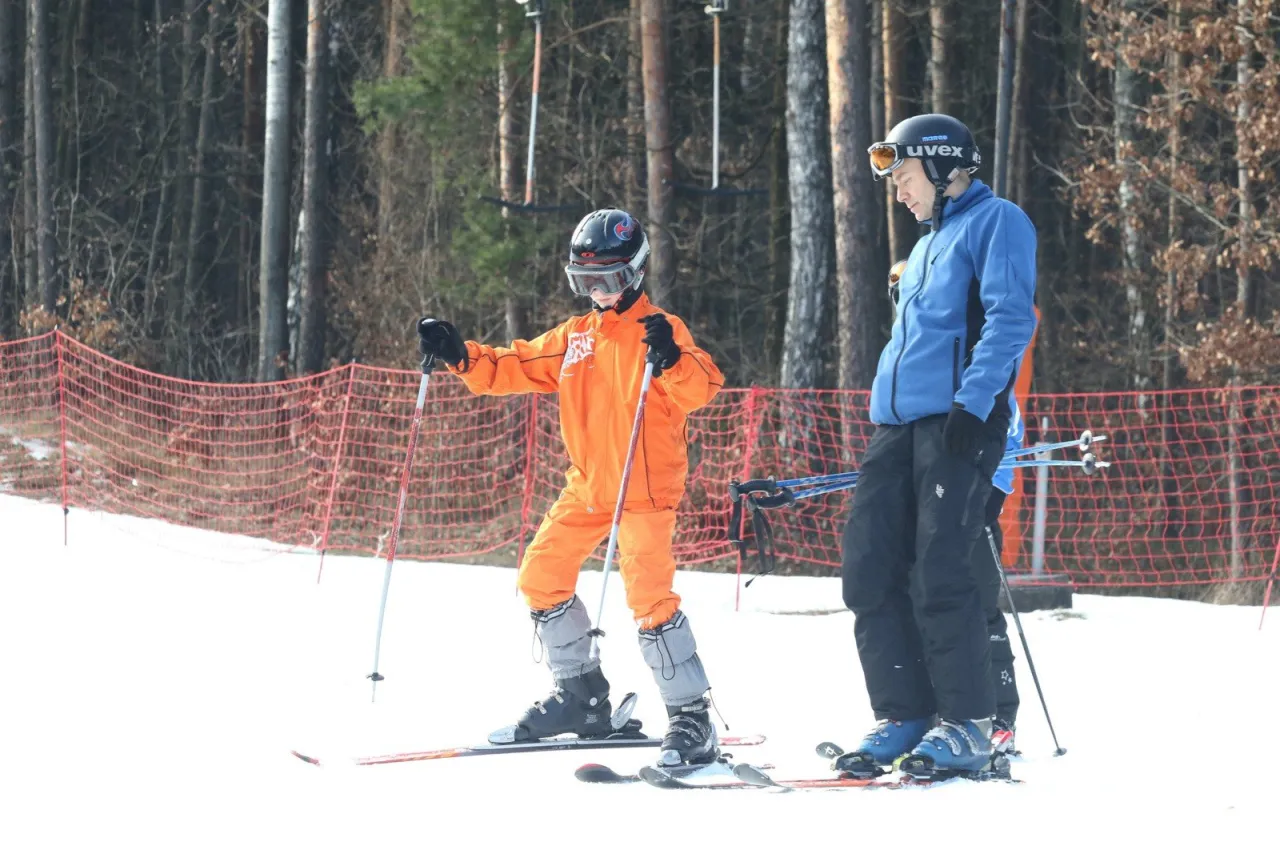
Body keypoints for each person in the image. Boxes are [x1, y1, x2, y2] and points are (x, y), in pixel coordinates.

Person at [415, 208, 726, 769]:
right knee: (540, 575)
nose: (597, 293)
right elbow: (516, 364)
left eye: (606, 280)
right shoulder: (575, 338)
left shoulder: (661, 328)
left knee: (650, 600)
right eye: (585, 282)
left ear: (633, 273)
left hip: (645, 489)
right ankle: (582, 700)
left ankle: (691, 716)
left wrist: (672, 358)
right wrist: (461, 355)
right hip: (587, 487)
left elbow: (701, 387)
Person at [837, 113, 1038, 778]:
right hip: (898, 424)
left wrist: (973, 401)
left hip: (959, 420)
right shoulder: (927, 244)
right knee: (869, 567)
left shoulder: (997, 221)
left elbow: (1010, 319)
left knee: (941, 573)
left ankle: (969, 725)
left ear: (946, 166)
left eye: (905, 174)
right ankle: (906, 714)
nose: (898, 189)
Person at [885, 257, 1025, 758]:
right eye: (898, 295)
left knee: (978, 607)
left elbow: (1008, 433)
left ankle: (1000, 716)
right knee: (924, 603)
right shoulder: (907, 360)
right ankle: (936, 711)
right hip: (930, 505)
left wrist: (989, 497)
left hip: (974, 503)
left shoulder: (970, 354)